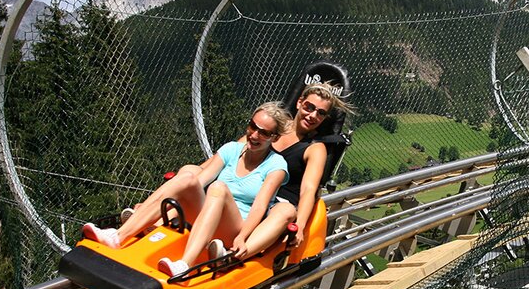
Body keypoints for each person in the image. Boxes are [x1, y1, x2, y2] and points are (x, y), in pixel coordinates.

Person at [82, 102, 291, 276]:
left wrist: (242, 237)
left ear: (274, 138)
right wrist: (150, 206)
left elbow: (260, 207)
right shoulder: (232, 149)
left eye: (263, 133)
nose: (254, 135)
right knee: (188, 178)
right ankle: (119, 236)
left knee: (218, 188)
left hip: (235, 226)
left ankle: (184, 264)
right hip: (208, 215)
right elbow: (198, 181)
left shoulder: (276, 166)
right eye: (252, 126)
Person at [213, 82, 353, 260]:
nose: (312, 115)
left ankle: (235, 255)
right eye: (309, 107)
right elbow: (239, 149)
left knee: (284, 211)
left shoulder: (315, 148)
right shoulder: (274, 128)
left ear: (325, 118)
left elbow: (309, 189)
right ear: (299, 103)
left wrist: (300, 225)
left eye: (321, 113)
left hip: (278, 204)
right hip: (251, 194)